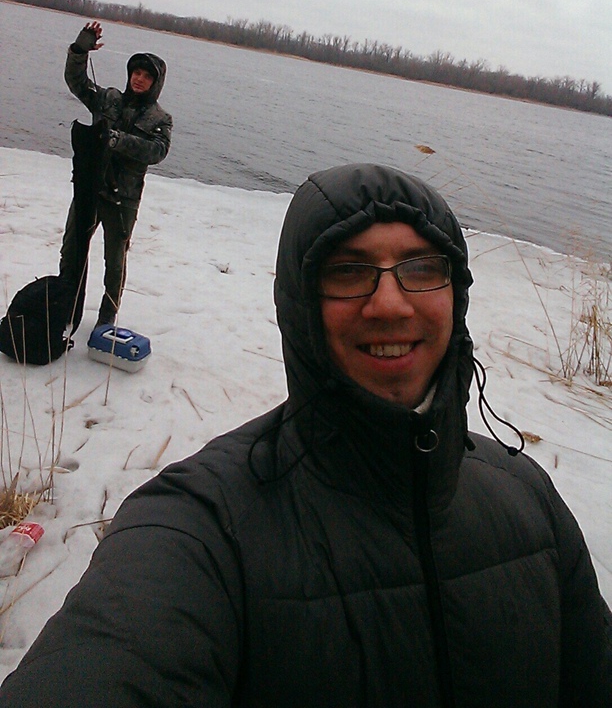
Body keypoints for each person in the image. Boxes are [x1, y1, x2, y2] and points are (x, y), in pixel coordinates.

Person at [1, 163, 609, 707]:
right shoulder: (204, 526)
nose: (391, 305)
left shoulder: (530, 503)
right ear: (300, 305)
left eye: (422, 267)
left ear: (457, 295)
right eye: (349, 271)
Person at [59, 21, 172, 329]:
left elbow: (158, 151)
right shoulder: (108, 98)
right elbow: (77, 82)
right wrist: (80, 50)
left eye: (147, 76)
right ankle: (65, 309)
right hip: (90, 190)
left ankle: (106, 320)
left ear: (155, 83)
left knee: (115, 263)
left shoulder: (160, 118)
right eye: (136, 73)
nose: (139, 79)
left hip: (123, 201)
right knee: (72, 251)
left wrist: (117, 140)